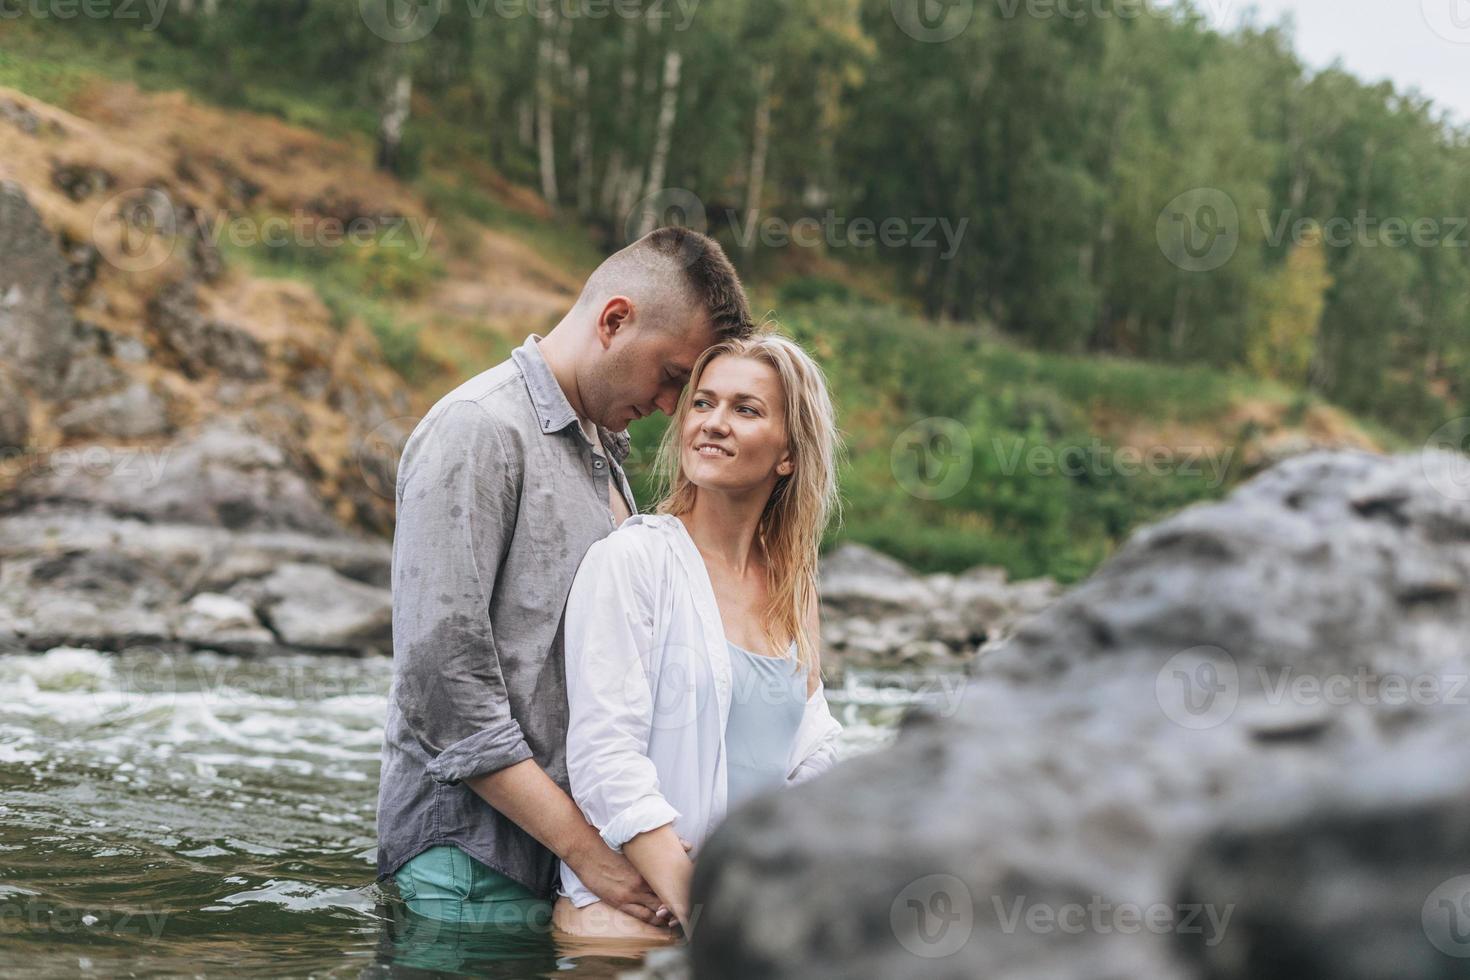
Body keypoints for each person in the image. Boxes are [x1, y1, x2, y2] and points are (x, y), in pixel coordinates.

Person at [376, 227, 754, 932]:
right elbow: (442, 690)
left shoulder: (601, 452)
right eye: (673, 376)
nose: (674, 406)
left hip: (556, 870)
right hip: (468, 871)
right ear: (615, 321)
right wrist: (596, 856)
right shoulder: (478, 429)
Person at [553, 332, 845, 940]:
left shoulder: (796, 588)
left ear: (788, 454)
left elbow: (813, 754)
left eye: (745, 409)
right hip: (632, 925)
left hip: (743, 914)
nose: (713, 423)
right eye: (703, 403)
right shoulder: (633, 559)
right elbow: (605, 757)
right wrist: (697, 905)